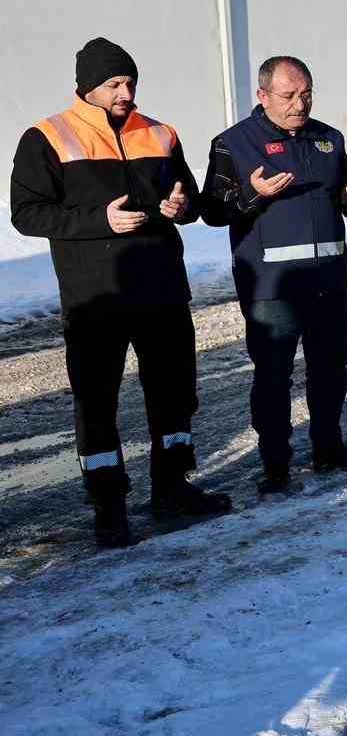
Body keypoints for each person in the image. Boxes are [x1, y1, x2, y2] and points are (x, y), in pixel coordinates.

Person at [10, 38, 231, 546]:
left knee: (175, 393)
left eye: (130, 81)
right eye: (114, 83)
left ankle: (172, 487)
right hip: (97, 298)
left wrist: (181, 206)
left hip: (161, 292)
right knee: (97, 401)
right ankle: (108, 504)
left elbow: (189, 197)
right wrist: (100, 220)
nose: (125, 92)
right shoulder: (47, 137)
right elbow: (27, 213)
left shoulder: (159, 132)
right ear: (87, 87)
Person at [200, 55, 347, 494]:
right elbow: (213, 212)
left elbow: (344, 202)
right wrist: (251, 196)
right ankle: (275, 463)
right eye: (289, 95)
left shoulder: (328, 139)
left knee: (331, 370)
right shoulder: (233, 143)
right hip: (271, 287)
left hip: (328, 281)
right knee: (275, 376)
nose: (300, 104)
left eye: (307, 94)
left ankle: (329, 448)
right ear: (263, 96)